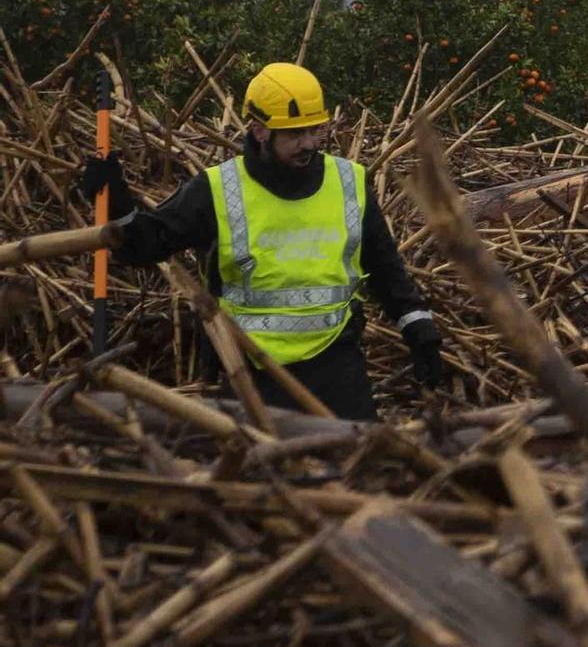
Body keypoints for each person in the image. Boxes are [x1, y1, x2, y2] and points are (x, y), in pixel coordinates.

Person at [79, 62, 443, 420]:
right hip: (249, 370)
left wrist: (416, 324)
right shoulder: (218, 190)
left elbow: (384, 267)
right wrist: (118, 204)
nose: (308, 144)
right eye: (294, 134)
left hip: (338, 367)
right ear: (259, 131)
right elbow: (144, 245)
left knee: (357, 469)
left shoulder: (349, 183)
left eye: (314, 130)